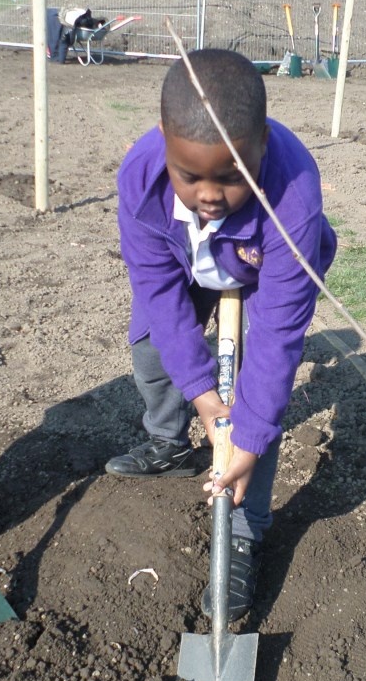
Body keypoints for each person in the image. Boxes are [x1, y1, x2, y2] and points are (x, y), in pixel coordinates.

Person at [105, 49, 337, 617]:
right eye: (189, 176)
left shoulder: (293, 199)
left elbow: (277, 339)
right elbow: (158, 294)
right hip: (187, 262)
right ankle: (169, 442)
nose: (209, 194)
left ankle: (244, 530)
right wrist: (202, 396)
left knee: (256, 401)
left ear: (262, 143)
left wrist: (246, 436)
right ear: (164, 141)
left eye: (232, 178)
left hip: (262, 267)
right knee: (153, 350)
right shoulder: (141, 181)